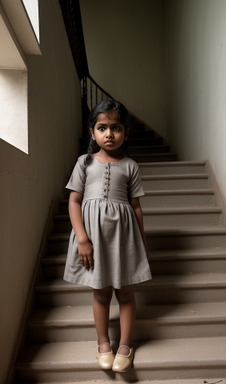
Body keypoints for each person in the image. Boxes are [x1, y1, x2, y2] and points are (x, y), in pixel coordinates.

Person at [64, 100, 152, 373]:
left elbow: (136, 208)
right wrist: (82, 239)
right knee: (100, 292)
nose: (109, 134)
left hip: (123, 238)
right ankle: (103, 343)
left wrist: (143, 244)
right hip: (93, 237)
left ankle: (125, 344)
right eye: (102, 128)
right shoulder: (84, 163)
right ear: (92, 133)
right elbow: (74, 202)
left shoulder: (130, 166)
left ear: (125, 132)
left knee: (125, 291)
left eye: (116, 128)